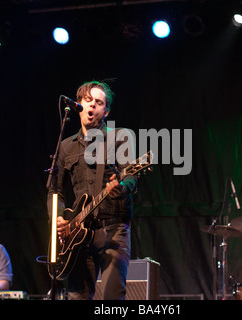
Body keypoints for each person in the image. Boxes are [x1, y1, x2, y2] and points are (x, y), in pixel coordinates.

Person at [48, 80, 137, 300]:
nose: (92, 106)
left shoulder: (120, 137)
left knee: (111, 298)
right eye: (87, 101)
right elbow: (54, 191)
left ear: (105, 111)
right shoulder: (66, 146)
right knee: (77, 296)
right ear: (78, 105)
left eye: (98, 102)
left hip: (113, 229)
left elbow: (131, 177)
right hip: (78, 235)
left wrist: (121, 188)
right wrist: (59, 218)